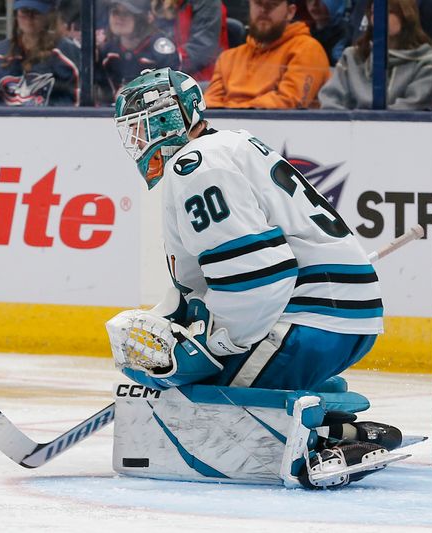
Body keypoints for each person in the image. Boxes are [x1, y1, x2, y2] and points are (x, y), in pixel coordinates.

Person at [108, 67, 401, 489]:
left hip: (308, 322)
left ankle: (326, 441)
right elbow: (205, 281)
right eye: (131, 131)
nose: (139, 141)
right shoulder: (229, 147)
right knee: (193, 377)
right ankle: (335, 424)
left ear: (177, 117)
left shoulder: (196, 166)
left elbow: (261, 276)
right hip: (334, 319)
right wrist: (176, 321)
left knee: (197, 406)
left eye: (146, 126)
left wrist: (216, 342)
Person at [204, 0, 330, 108]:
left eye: (272, 4)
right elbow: (210, 104)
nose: (263, 10)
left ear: (290, 12)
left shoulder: (307, 49)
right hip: (229, 132)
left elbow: (290, 103)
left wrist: (233, 111)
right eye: (258, 3)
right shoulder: (229, 57)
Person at [319, 0, 432, 111]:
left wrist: (375, 122)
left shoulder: (426, 60)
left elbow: (415, 105)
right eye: (373, 12)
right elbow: (330, 99)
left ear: (406, 15)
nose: (378, 18)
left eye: (389, 12)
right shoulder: (352, 56)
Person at [0, 0, 81, 107]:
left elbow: (78, 98)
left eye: (36, 12)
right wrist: (0, 112)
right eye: (24, 11)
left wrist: (40, 115)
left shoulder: (67, 53)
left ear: (49, 15)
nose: (29, 18)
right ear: (16, 15)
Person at [95, 0, 180, 104]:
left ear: (143, 18)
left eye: (127, 13)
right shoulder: (106, 51)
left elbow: (173, 94)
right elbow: (100, 94)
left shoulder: (160, 50)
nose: (119, 18)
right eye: (115, 12)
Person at [151, 0, 229, 82]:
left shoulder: (207, 3)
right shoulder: (175, 3)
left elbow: (202, 49)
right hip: (181, 75)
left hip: (208, 79)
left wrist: (171, 61)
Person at [305, 0, 350, 66]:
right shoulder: (305, 30)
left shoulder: (344, 32)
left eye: (320, 1)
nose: (314, 5)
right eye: (310, 0)